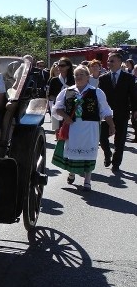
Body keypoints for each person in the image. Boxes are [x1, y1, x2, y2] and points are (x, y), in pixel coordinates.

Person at [52, 64, 115, 192]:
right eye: (76, 75)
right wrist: (66, 116)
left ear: (88, 77)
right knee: (72, 151)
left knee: (89, 153)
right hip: (73, 127)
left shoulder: (97, 92)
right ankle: (71, 173)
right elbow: (57, 108)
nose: (78, 77)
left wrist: (111, 125)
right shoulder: (67, 91)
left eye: (82, 74)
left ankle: (87, 180)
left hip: (90, 127)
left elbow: (105, 110)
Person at [97, 51, 137, 173]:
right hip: (106, 114)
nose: (109, 63)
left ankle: (116, 163)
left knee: (120, 140)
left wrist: (135, 110)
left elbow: (134, 95)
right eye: (108, 61)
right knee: (102, 137)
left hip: (122, 113)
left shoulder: (129, 78)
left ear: (120, 62)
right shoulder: (103, 78)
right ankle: (107, 153)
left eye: (112, 60)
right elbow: (99, 97)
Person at [47, 58, 75, 133]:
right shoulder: (54, 80)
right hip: (57, 107)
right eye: (58, 65)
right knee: (59, 129)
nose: (59, 67)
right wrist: (60, 101)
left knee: (70, 129)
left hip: (71, 108)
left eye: (62, 65)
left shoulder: (73, 79)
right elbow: (50, 95)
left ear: (68, 67)